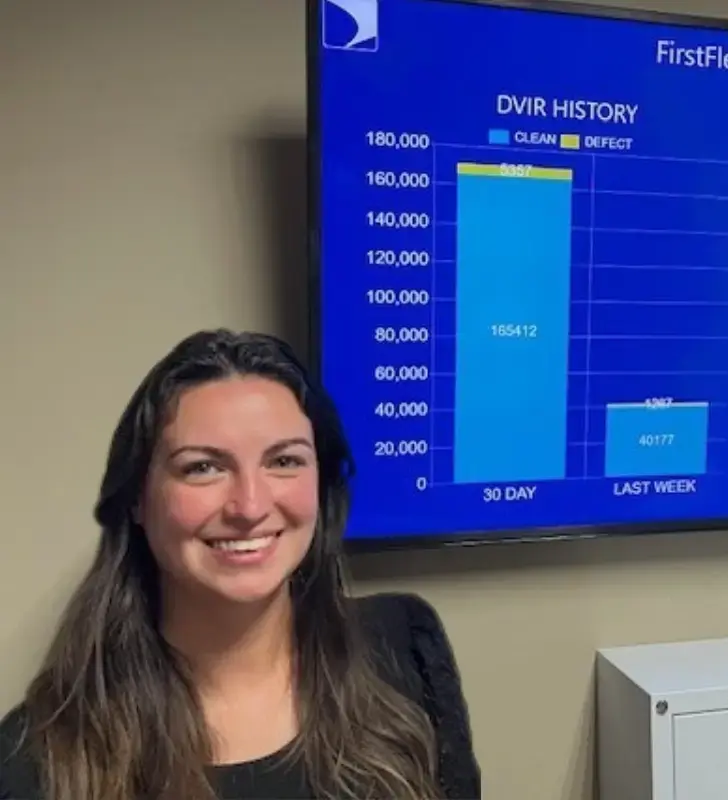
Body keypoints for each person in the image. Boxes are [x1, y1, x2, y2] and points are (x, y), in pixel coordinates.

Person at [0, 329, 480, 799]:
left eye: (285, 461)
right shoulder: (35, 760)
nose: (249, 506)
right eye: (203, 467)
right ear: (137, 500)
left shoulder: (406, 651)